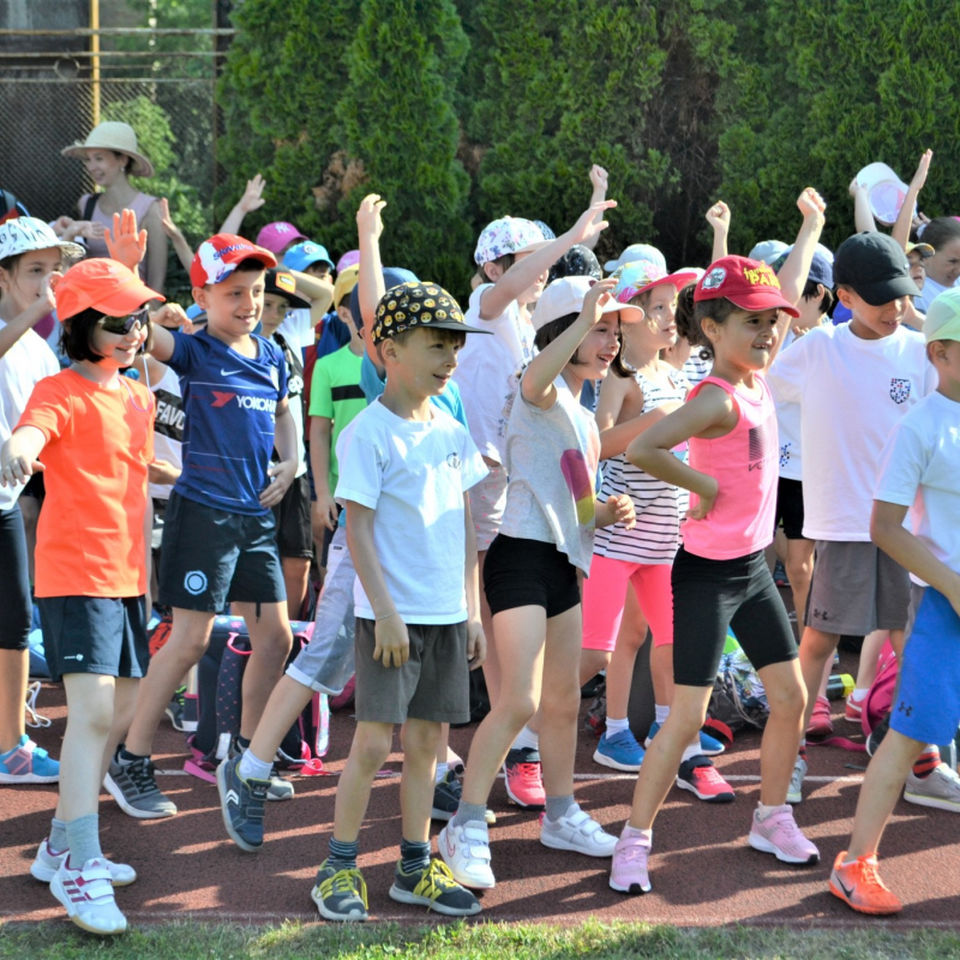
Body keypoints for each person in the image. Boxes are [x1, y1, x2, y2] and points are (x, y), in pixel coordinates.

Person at [609, 189, 826, 896]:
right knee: (686, 720)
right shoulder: (718, 396)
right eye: (752, 324)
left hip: (753, 573)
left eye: (773, 325)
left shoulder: (758, 372)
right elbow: (646, 448)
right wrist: (699, 492)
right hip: (704, 575)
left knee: (790, 697)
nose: (768, 333)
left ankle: (771, 816)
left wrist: (812, 227)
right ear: (711, 327)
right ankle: (634, 840)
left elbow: (787, 292)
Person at [440, 271, 637, 893]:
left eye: (613, 332)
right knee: (519, 700)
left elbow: (577, 506)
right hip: (517, 554)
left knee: (562, 700)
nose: (609, 342)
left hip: (560, 562)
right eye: (599, 330)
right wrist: (582, 317)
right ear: (563, 330)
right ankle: (464, 825)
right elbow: (533, 376)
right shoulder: (538, 389)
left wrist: (606, 514)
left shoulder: (579, 416)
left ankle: (561, 814)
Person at [308, 279, 490, 921]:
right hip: (390, 618)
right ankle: (337, 864)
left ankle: (414, 865)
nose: (449, 358)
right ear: (389, 350)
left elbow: (467, 524)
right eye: (435, 345)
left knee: (425, 745)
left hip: (444, 614)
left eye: (454, 347)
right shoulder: (368, 432)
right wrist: (383, 610)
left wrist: (470, 606)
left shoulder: (449, 428)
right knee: (372, 741)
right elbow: (355, 528)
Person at [104, 229, 298, 819]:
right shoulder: (193, 350)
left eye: (256, 291)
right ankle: (130, 760)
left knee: (277, 638)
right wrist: (129, 275)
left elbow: (285, 412)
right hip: (203, 513)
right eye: (233, 292)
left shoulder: (270, 354)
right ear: (204, 297)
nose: (248, 303)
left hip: (255, 519)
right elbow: (140, 331)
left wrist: (293, 463)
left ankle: (244, 758)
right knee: (188, 639)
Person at [766, 229, 958, 810]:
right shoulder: (818, 349)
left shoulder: (918, 349)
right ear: (844, 295)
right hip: (846, 523)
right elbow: (765, 389)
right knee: (820, 639)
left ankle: (921, 761)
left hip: (907, 530)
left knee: (912, 642)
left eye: (902, 295)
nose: (896, 309)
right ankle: (790, 751)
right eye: (881, 299)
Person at [1, 257, 162, 935]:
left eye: (138, 319)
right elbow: (33, 430)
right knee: (94, 714)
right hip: (77, 574)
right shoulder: (56, 389)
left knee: (118, 711)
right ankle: (81, 862)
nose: (132, 332)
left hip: (129, 576)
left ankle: (61, 844)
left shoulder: (137, 395)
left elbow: (136, 466)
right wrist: (20, 446)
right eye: (117, 320)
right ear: (81, 325)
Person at [454, 200, 614, 810]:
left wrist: (594, 508)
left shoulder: (526, 325)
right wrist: (571, 232)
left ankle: (517, 755)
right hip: (474, 486)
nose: (540, 270)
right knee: (471, 630)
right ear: (494, 269)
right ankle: (461, 762)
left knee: (502, 642)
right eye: (527, 260)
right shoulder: (487, 310)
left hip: (508, 488)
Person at [829, 288, 960, 915]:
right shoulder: (920, 427)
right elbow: (884, 527)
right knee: (905, 738)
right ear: (941, 352)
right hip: (944, 608)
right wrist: (954, 588)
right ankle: (854, 865)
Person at [581, 260, 731, 799]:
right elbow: (598, 444)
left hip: (667, 534)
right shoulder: (620, 378)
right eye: (660, 308)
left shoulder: (675, 372)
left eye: (673, 306)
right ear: (631, 318)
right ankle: (605, 731)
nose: (672, 317)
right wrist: (653, 421)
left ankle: (676, 729)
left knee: (666, 639)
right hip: (619, 532)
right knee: (603, 646)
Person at [0, 217, 82, 786]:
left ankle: (12, 748)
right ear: (3, 277)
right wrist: (38, 310)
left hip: (3, 504)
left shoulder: (40, 351)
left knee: (13, 627)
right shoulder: (22, 330)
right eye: (35, 271)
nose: (48, 283)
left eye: (55, 270)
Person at [260, 267, 315, 619]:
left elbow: (324, 295)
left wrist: (279, 270)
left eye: (283, 307)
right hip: (257, 469)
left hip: (296, 467)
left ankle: (292, 638)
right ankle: (245, 642)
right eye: (268, 303)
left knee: (298, 562)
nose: (277, 313)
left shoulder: (289, 335)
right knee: (255, 562)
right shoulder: (234, 345)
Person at [60, 121, 166, 292]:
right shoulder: (87, 204)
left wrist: (149, 315)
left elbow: (157, 282)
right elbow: (71, 267)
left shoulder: (150, 208)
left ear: (122, 160)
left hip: (132, 309)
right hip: (89, 309)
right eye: (88, 159)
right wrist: (70, 232)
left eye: (99, 158)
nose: (91, 167)